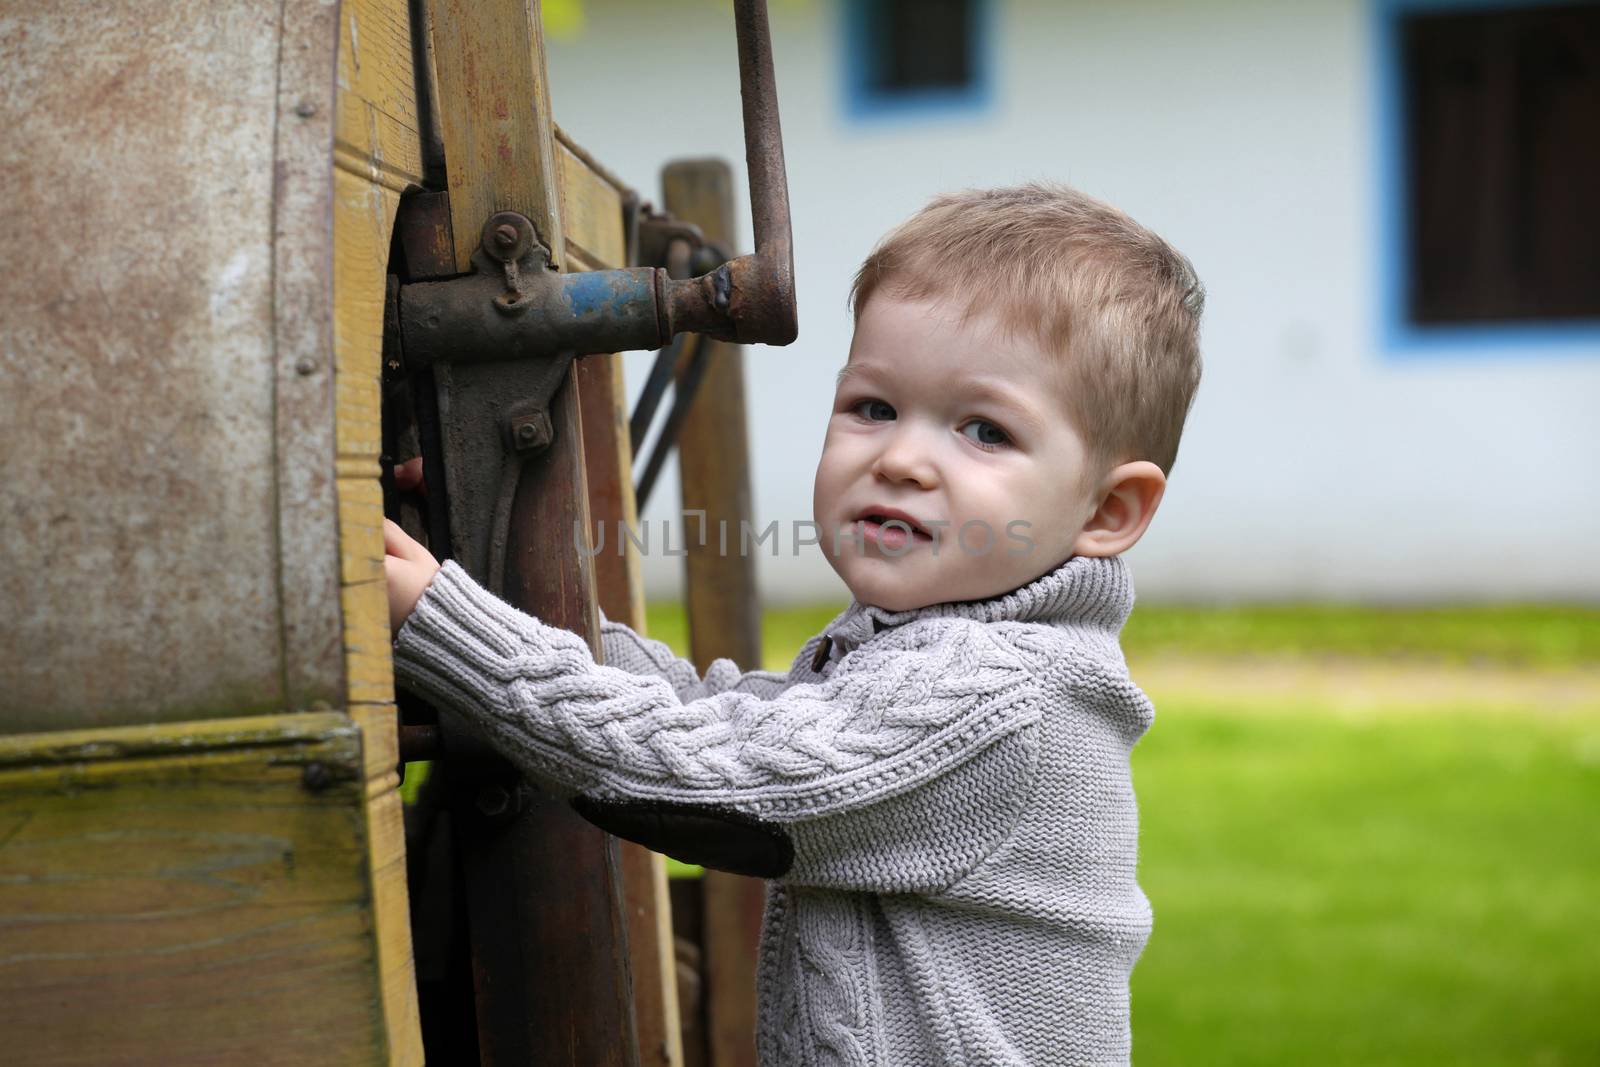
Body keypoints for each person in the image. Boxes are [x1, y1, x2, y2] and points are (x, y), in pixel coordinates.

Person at [383, 181, 1204, 1066]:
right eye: (874, 407)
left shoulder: (997, 695)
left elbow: (707, 776)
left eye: (984, 430)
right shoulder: (935, 650)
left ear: (1110, 510)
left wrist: (443, 621)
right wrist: (490, 586)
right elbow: (728, 719)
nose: (901, 459)